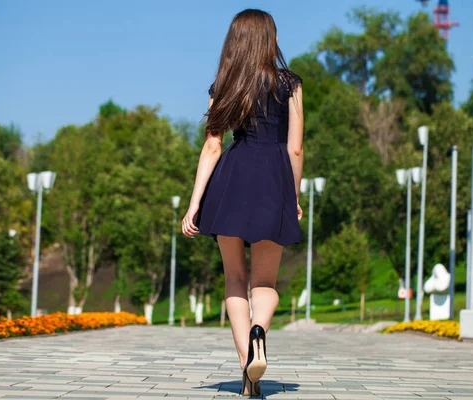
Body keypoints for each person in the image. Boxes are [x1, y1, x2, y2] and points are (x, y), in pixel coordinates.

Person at [181, 8, 304, 397]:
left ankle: (246, 369)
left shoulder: (225, 83)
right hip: (273, 179)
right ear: (269, 39)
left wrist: (194, 203)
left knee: (234, 277)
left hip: (231, 180)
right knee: (265, 281)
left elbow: (213, 145)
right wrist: (293, 197)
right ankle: (258, 334)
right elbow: (296, 149)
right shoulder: (290, 84)